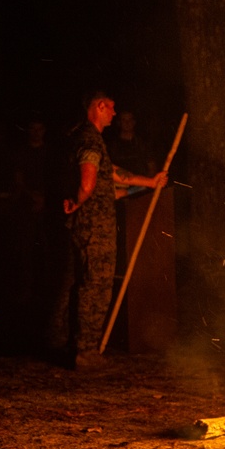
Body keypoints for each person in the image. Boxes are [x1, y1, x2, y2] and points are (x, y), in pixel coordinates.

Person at [58, 91, 166, 369]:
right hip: (94, 227)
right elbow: (88, 181)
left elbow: (113, 174)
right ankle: (85, 350)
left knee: (89, 283)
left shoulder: (91, 140)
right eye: (112, 108)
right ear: (100, 107)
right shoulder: (89, 139)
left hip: (94, 224)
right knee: (95, 286)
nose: (115, 114)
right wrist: (78, 201)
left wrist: (150, 182)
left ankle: (79, 346)